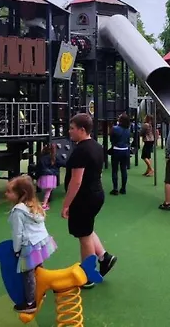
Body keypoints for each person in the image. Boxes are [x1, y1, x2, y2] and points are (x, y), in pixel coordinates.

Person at [62, 113, 117, 288]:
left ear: (82, 130)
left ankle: (88, 275)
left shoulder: (81, 150)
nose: (69, 131)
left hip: (84, 198)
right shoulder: (96, 146)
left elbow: (76, 181)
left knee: (84, 236)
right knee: (87, 229)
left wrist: (66, 204)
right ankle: (104, 257)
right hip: (96, 194)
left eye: (72, 128)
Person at [6, 175, 57, 313]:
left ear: (21, 194)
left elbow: (18, 233)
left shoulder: (18, 211)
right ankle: (42, 289)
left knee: (27, 272)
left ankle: (31, 302)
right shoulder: (34, 205)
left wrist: (16, 249)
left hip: (30, 244)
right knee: (38, 266)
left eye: (9, 191)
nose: (6, 194)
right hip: (41, 241)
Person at [36, 143, 66, 210]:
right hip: (52, 177)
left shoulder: (42, 158)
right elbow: (62, 163)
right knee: (48, 191)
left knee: (44, 189)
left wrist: (37, 176)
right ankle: (44, 204)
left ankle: (43, 203)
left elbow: (39, 167)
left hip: (43, 175)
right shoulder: (54, 158)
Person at [110, 113, 131, 195]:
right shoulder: (128, 129)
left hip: (116, 150)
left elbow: (112, 140)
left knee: (114, 170)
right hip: (125, 150)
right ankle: (123, 188)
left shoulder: (114, 128)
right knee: (124, 169)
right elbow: (128, 140)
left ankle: (115, 189)